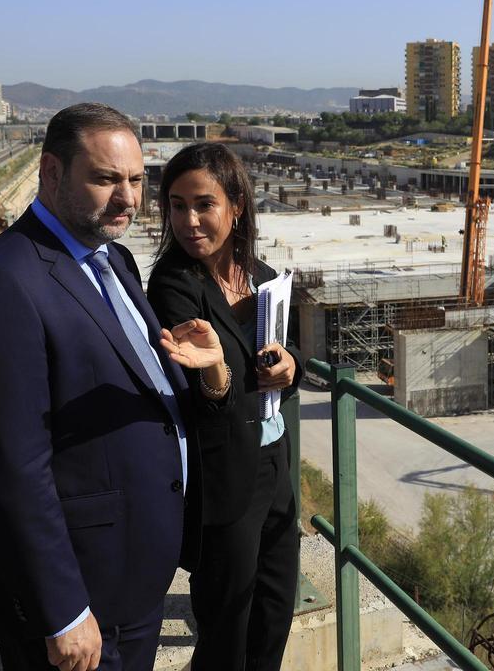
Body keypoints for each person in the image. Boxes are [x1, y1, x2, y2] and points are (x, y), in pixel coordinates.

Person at [0, 103, 227, 671]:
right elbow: (10, 467)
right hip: (81, 599)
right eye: (105, 179)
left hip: (135, 581)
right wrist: (63, 610)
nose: (128, 197)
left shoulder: (113, 259)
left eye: (138, 180)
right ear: (50, 173)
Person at [146, 142, 303, 671]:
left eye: (203, 204)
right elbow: (205, 396)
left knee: (276, 604)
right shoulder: (172, 283)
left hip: (273, 459)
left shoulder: (260, 274)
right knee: (226, 619)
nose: (188, 220)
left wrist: (291, 367)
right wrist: (216, 372)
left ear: (236, 205)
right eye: (176, 204)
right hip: (223, 473)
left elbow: (290, 352)